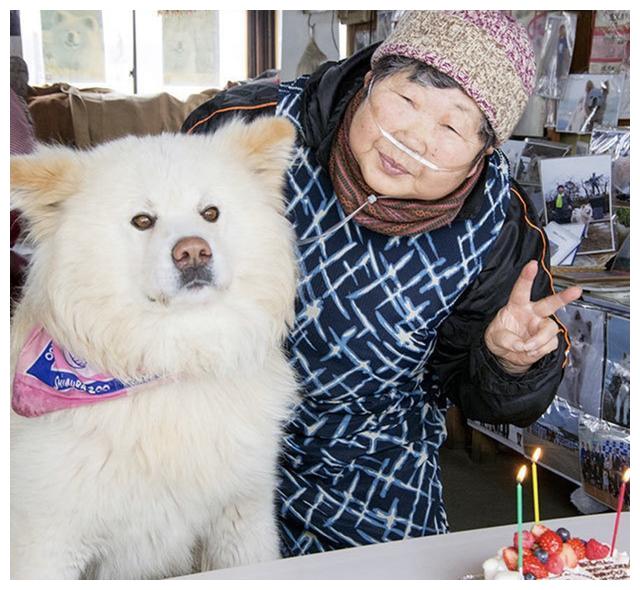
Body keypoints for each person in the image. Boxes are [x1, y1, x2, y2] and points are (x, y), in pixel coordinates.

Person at [183, 11, 580, 557]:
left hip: (370, 469)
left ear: (484, 153)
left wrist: (509, 361)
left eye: (451, 126)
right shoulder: (249, 128)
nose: (412, 138)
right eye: (407, 99)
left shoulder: (498, 226)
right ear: (371, 77)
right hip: (203, 443)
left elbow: (483, 395)